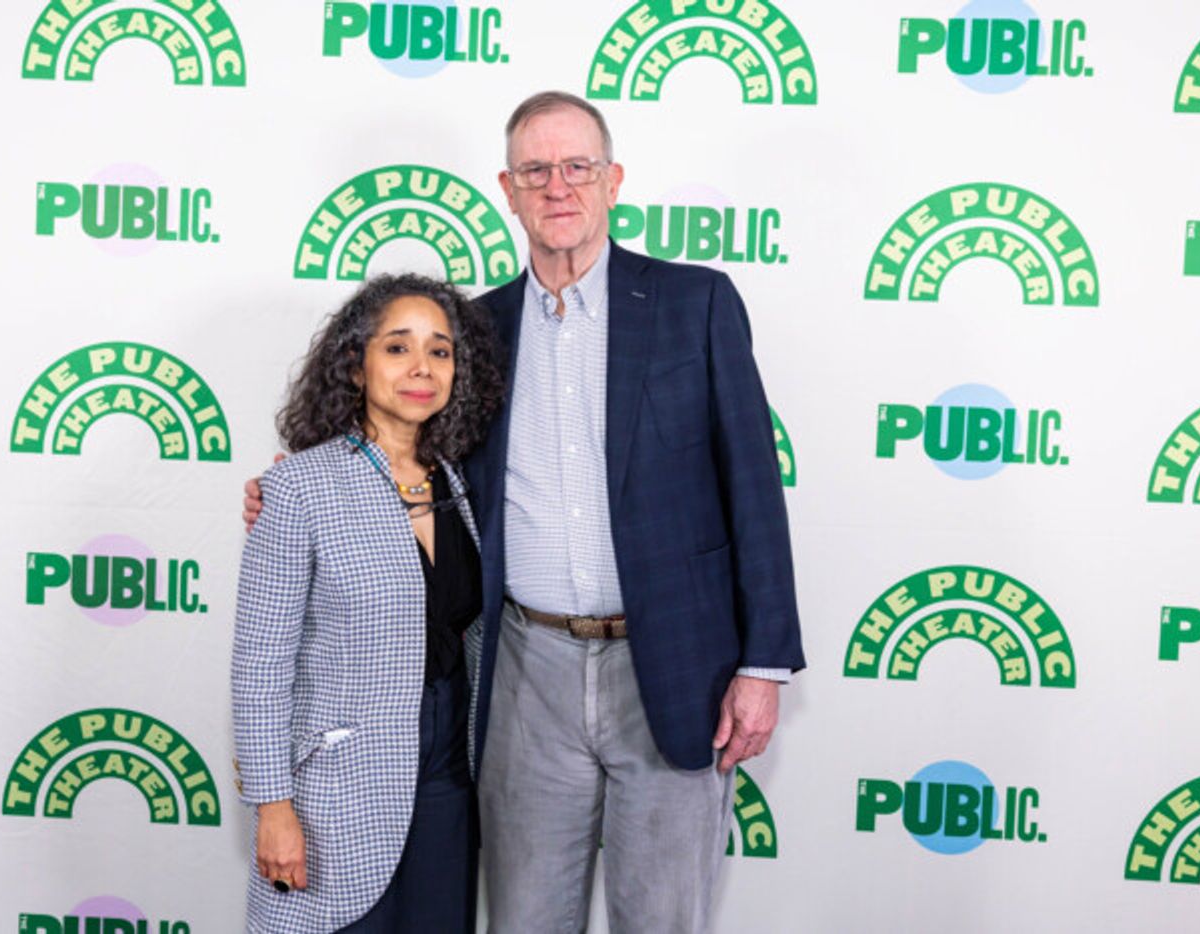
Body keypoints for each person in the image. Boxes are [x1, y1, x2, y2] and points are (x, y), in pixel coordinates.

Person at [245, 90, 804, 933]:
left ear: (613, 180)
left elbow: (754, 486)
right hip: (523, 672)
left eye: (577, 166)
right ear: (506, 189)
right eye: (536, 171)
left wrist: (763, 665)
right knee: (524, 919)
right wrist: (301, 483)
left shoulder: (697, 304)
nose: (558, 187)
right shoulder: (475, 330)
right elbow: (404, 437)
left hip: (675, 668)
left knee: (665, 919)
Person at [232, 273, 502, 934]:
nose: (421, 368)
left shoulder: (461, 483)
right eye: (397, 348)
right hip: (338, 790)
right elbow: (259, 667)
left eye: (440, 351)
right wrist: (272, 807)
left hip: (446, 778)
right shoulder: (298, 487)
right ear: (355, 366)